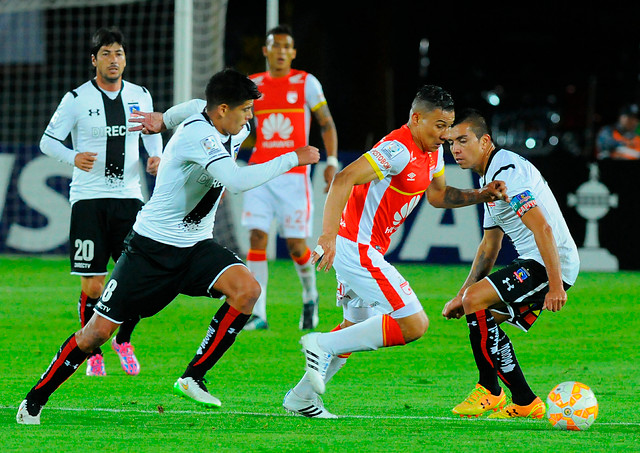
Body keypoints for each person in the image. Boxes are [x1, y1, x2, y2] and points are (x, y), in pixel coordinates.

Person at [16, 68, 320, 425]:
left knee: (247, 290)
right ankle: (33, 401)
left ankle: (193, 376)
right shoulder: (199, 135)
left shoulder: (227, 124)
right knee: (95, 334)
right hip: (150, 250)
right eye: (246, 109)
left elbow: (190, 106)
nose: (251, 117)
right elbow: (236, 181)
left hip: (195, 248)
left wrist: (161, 121)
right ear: (222, 109)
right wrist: (292, 158)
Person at [283, 86, 508, 418]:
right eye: (439, 126)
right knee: (414, 324)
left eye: (449, 127)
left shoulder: (433, 152)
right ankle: (319, 344)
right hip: (355, 247)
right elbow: (343, 179)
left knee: (354, 328)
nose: (446, 135)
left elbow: (438, 196)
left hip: (367, 248)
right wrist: (328, 237)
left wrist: (482, 194)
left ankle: (301, 398)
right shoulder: (397, 149)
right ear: (416, 118)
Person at [39, 27, 162, 377]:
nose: (114, 60)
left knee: (135, 278)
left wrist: (156, 158)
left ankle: (123, 340)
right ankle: (91, 349)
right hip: (89, 199)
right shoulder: (76, 99)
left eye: (119, 53)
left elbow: (152, 135)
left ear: (125, 59)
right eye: (106, 53)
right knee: (93, 284)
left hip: (129, 197)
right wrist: (73, 157)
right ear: (94, 60)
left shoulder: (140, 95)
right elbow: (48, 142)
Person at [441, 108, 580, 419]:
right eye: (451, 143)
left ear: (485, 140)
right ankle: (525, 401)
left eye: (463, 140)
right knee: (480, 314)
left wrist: (556, 285)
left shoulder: (507, 173)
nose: (456, 149)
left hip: (549, 262)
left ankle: (490, 391)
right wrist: (460, 295)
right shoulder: (491, 179)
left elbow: (542, 228)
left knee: (477, 303)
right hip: (534, 261)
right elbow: (490, 247)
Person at [242, 24, 339, 331]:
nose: (281, 51)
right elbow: (237, 125)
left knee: (297, 246)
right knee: (257, 238)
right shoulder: (252, 84)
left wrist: (331, 160)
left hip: (294, 176)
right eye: (276, 46)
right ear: (265, 50)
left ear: (293, 52)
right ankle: (258, 313)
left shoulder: (306, 82)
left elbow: (325, 123)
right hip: (260, 172)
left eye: (287, 47)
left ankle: (310, 296)